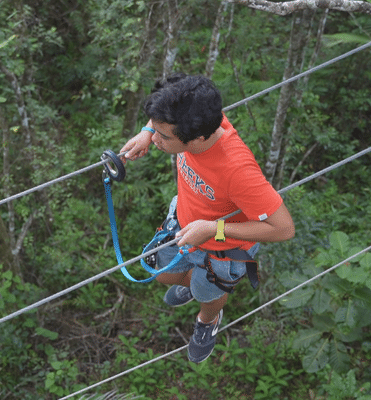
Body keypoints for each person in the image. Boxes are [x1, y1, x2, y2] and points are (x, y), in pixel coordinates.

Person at [119, 73, 295, 363]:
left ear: (197, 137)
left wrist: (215, 229)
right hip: (185, 223)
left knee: (207, 293)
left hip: (222, 249)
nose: (158, 141)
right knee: (163, 275)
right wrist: (146, 132)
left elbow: (284, 228)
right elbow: (170, 109)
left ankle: (208, 321)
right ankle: (192, 280)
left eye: (164, 136)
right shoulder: (199, 113)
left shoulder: (238, 171)